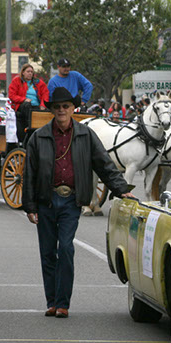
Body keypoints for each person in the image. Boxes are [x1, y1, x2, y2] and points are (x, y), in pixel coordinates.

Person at [23, 87, 134, 318]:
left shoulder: (85, 135)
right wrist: (30, 206)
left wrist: (122, 190)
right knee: (47, 253)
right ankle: (51, 301)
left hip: (71, 201)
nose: (62, 110)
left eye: (66, 106)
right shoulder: (39, 137)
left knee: (65, 248)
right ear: (52, 110)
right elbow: (30, 173)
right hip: (45, 201)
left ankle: (63, 303)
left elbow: (104, 165)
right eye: (57, 107)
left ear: (73, 109)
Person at [8, 64, 49, 144]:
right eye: (28, 71)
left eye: (31, 72)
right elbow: (12, 95)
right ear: (23, 72)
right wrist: (24, 99)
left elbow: (45, 94)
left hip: (36, 106)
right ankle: (30, 127)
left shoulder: (38, 83)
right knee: (27, 106)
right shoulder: (16, 81)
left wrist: (43, 105)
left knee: (47, 111)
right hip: (22, 105)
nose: (30, 73)